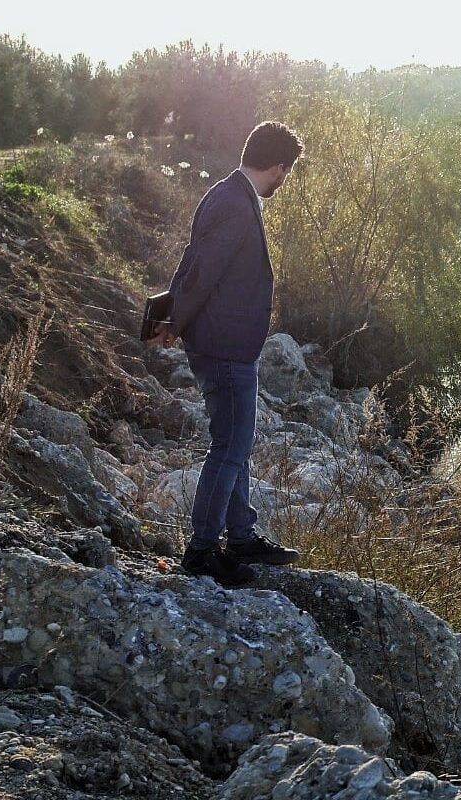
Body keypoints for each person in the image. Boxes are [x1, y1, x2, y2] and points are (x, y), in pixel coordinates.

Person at [147, 121, 304, 586]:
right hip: (224, 347)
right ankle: (201, 551)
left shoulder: (226, 193)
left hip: (226, 343)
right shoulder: (236, 204)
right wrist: (173, 323)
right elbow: (202, 272)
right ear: (278, 167)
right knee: (229, 447)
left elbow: (191, 261)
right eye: (286, 172)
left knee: (235, 444)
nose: (284, 180)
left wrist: (172, 316)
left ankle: (240, 535)